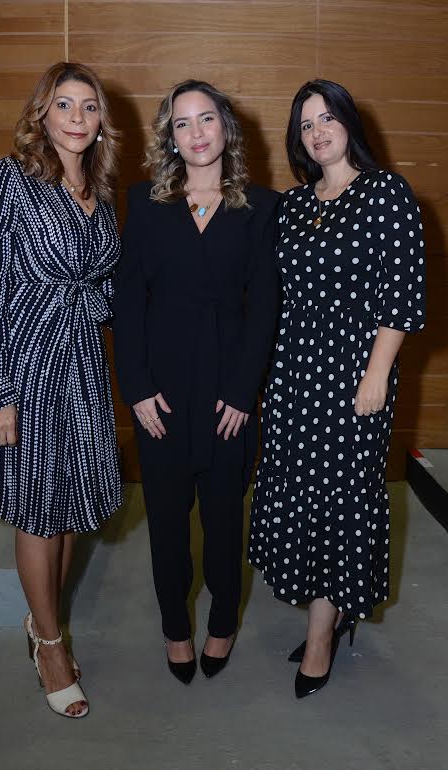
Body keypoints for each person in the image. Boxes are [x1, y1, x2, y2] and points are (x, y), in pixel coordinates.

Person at [0, 61, 122, 718]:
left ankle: (40, 621)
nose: (76, 118)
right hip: (24, 367)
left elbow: (102, 281)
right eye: (62, 106)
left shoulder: (100, 192)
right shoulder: (8, 181)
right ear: (40, 116)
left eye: (88, 106)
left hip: (81, 364)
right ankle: (49, 643)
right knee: (38, 509)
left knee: (73, 504)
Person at [249, 79, 426, 699]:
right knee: (301, 495)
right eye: (305, 124)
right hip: (294, 377)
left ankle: (323, 635)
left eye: (327, 118)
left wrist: (377, 373)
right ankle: (328, 612)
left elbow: (402, 295)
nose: (317, 131)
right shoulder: (296, 204)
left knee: (340, 503)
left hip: (354, 378)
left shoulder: (386, 194)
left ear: (350, 123)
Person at [113, 80, 280, 684]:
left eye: (206, 118)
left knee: (222, 521)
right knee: (165, 525)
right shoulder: (143, 202)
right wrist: (134, 387)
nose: (197, 133)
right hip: (159, 393)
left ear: (226, 127)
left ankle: (222, 624)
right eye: (182, 123)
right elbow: (129, 303)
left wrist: (242, 392)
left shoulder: (262, 206)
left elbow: (264, 308)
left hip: (227, 395)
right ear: (170, 137)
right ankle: (175, 629)